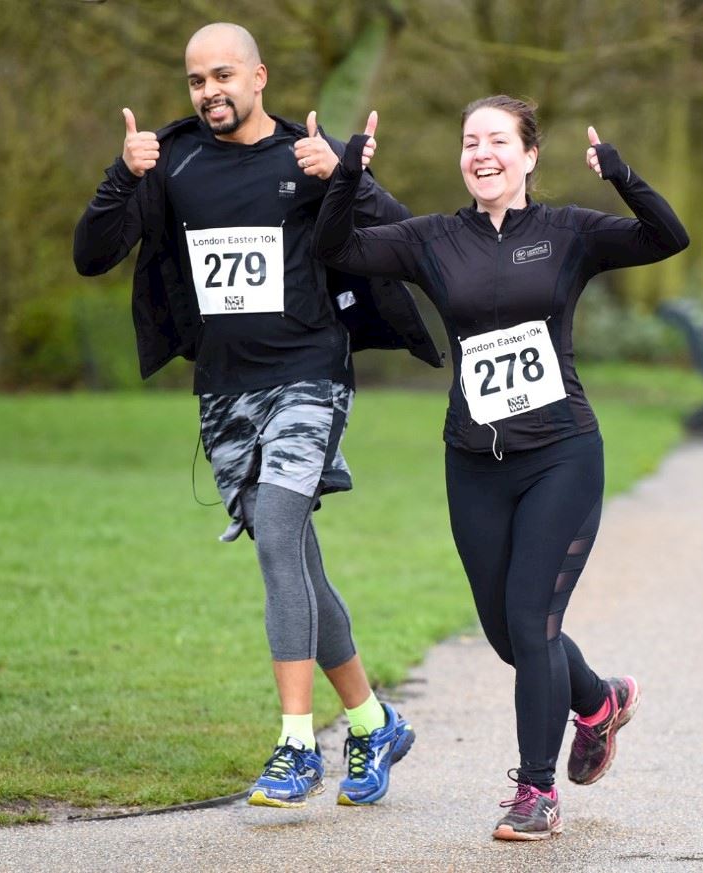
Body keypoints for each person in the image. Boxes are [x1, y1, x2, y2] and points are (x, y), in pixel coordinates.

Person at [72, 22, 441, 809]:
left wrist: (347, 175)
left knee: (277, 529)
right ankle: (373, 722)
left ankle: (296, 744)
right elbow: (92, 254)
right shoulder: (173, 163)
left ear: (260, 76)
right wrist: (119, 175)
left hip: (310, 375)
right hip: (224, 389)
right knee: (295, 556)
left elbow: (407, 238)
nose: (209, 91)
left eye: (223, 75)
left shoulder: (306, 153)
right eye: (196, 80)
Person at [313, 95, 689, 840]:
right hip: (474, 460)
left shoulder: (568, 232)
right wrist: (349, 174)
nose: (480, 152)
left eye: (496, 140)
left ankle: (536, 789)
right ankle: (599, 700)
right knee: (507, 634)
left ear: (526, 157)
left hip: (560, 454)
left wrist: (618, 173)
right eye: (469, 141)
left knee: (530, 618)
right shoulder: (432, 239)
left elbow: (665, 236)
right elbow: (339, 250)